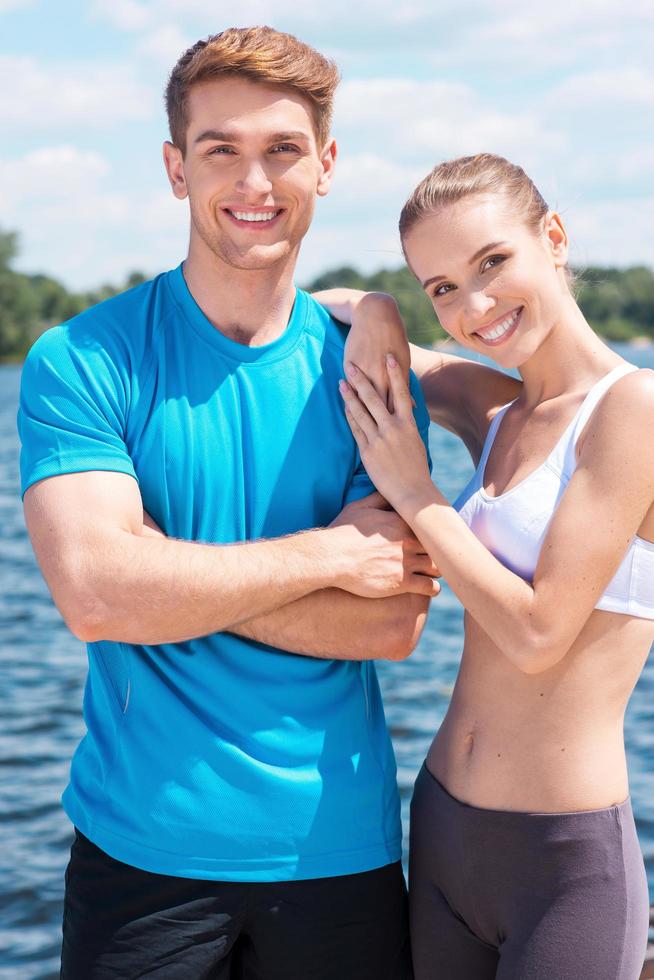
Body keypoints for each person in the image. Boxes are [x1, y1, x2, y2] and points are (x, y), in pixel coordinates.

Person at [17, 27, 438, 980]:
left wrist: (165, 575)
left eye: (283, 150)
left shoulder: (368, 368)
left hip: (340, 851)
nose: (256, 182)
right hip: (141, 855)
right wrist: (332, 558)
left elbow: (397, 623)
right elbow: (95, 596)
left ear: (326, 166)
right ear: (176, 168)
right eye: (222, 151)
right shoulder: (84, 361)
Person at [328, 153, 654, 979]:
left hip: (563, 862)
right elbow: (332, 316)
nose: (474, 306)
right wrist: (374, 304)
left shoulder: (632, 410)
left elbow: (540, 633)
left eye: (492, 262)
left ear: (554, 237)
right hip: (443, 831)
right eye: (440, 288)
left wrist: (413, 489)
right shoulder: (493, 407)